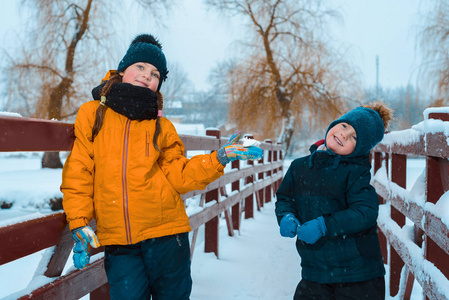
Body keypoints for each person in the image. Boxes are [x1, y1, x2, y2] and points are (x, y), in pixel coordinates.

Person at [61, 33, 263, 300]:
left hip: (167, 236)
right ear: (122, 70)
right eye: (141, 67)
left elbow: (179, 175)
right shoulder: (93, 113)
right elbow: (79, 170)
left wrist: (219, 158)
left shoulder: (161, 126)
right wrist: (78, 222)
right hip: (120, 243)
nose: (147, 75)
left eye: (156, 73)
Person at [275, 101, 393, 300]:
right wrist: (286, 216)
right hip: (315, 271)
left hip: (358, 275)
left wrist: (324, 225)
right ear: (335, 124)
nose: (344, 134)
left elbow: (365, 211)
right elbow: (285, 197)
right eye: (345, 126)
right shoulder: (299, 167)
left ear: (360, 149)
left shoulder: (356, 173)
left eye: (354, 137)